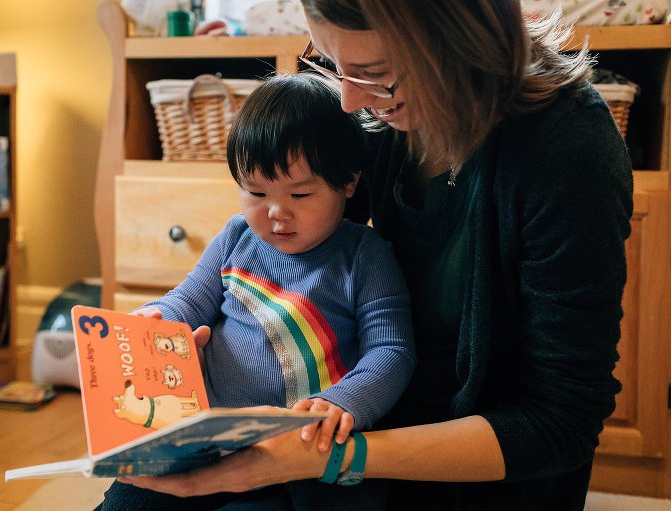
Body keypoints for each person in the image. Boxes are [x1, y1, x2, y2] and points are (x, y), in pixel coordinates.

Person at [113, 1, 634, 510]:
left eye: (373, 74)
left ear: (456, 39)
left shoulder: (568, 149)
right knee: (135, 488)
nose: (348, 100)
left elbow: (559, 422)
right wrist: (214, 343)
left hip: (451, 464)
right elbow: (289, 237)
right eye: (334, 65)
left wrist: (328, 454)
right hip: (320, 424)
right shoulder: (380, 118)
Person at [95, 72, 416, 510]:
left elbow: (392, 350)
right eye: (256, 192)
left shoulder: (365, 256)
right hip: (208, 436)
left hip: (299, 455)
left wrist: (342, 402)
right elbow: (190, 299)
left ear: (347, 182)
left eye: (301, 194)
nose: (276, 213)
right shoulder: (236, 237)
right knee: (126, 500)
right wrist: (157, 316)